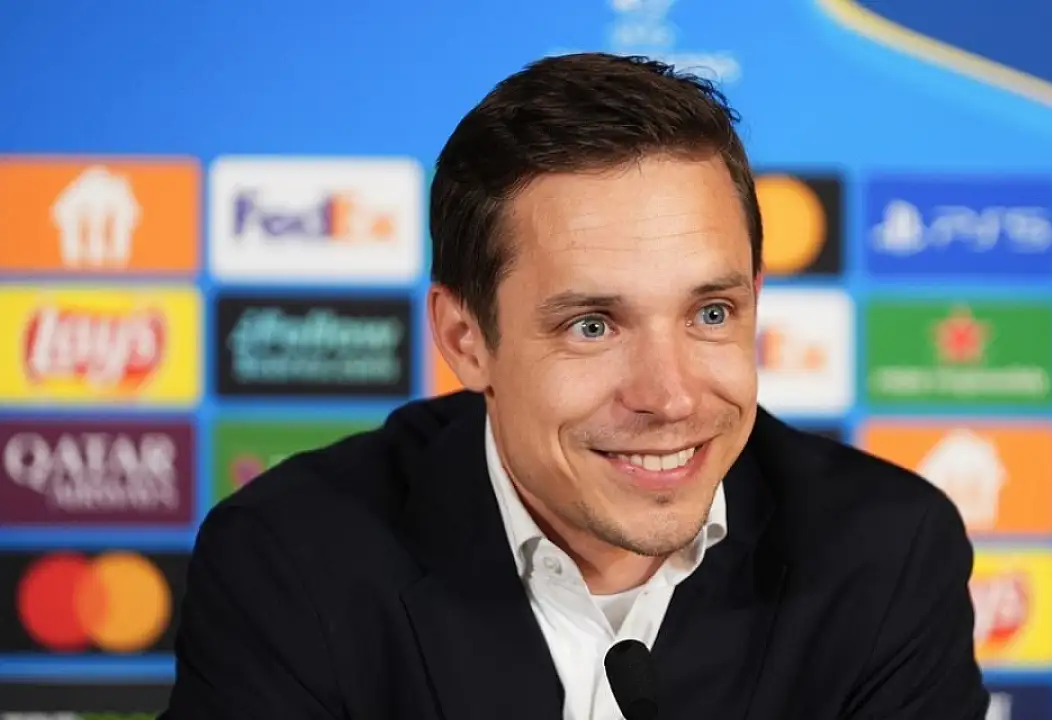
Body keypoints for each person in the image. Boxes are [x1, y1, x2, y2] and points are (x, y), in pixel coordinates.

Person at [162, 52, 989, 720]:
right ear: (465, 341)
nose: (670, 397)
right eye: (592, 326)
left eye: (710, 313)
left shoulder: (884, 556)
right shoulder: (292, 564)